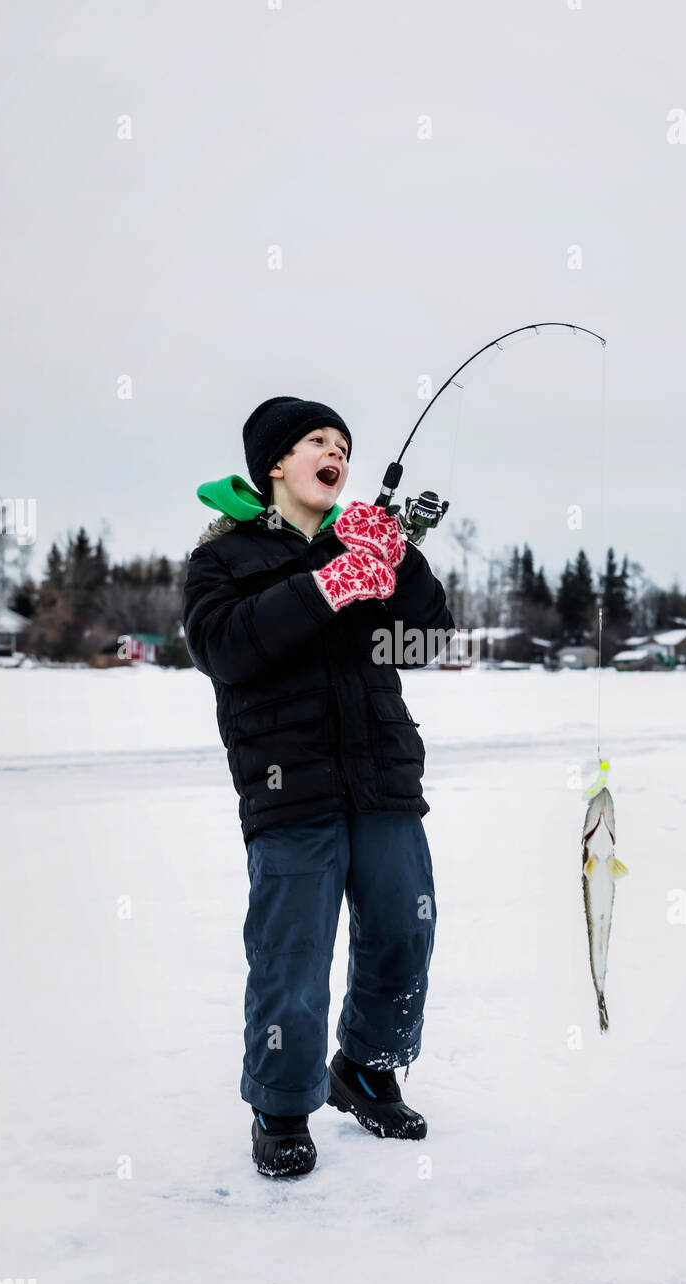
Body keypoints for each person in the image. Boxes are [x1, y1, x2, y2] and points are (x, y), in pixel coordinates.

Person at [181, 396, 455, 1178]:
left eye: (343, 442)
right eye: (316, 440)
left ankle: (367, 1070)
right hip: (287, 783)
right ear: (274, 464)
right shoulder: (224, 558)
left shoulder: (364, 544)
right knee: (292, 953)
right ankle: (281, 1103)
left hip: (383, 775)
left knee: (405, 928)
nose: (335, 450)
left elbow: (429, 638)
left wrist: (398, 561)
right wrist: (329, 584)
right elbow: (226, 648)